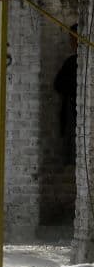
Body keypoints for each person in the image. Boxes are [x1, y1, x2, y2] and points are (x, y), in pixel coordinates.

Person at [54, 25, 78, 165]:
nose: (71, 43)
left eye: (74, 39)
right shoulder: (71, 62)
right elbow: (58, 84)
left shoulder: (75, 62)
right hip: (71, 112)